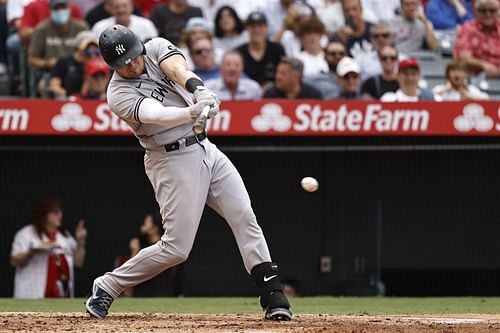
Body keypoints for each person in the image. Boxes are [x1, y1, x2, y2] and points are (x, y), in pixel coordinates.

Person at [85, 24, 292, 321]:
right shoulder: (117, 93)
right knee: (177, 249)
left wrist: (200, 89)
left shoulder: (154, 48)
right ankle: (108, 285)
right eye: (122, 62)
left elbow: (178, 69)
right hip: (170, 159)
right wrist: (191, 112)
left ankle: (273, 296)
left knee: (243, 215)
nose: (131, 64)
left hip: (205, 147)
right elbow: (154, 115)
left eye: (133, 56)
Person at [10, 195, 87, 299]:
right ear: (43, 214)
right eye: (55, 212)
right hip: (32, 295)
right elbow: (14, 261)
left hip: (61, 295)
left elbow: (78, 263)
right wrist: (31, 252)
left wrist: (80, 241)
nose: (60, 215)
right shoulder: (26, 234)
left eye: (60, 212)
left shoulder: (65, 236)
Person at [127, 213, 184, 297]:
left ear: (155, 227)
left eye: (147, 222)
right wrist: (134, 251)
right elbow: (131, 272)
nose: (144, 224)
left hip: (163, 294)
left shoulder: (168, 247)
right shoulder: (140, 245)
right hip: (141, 294)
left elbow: (176, 274)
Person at [236, 11, 285, 86]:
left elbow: (284, 74)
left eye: (260, 26)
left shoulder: (277, 50)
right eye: (253, 26)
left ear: (266, 28)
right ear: (247, 28)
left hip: (273, 94)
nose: (256, 30)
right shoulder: (239, 52)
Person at [453, 0, 500, 77]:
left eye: (492, 11)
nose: (488, 14)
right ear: (476, 12)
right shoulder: (467, 29)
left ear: (498, 12)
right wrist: (484, 65)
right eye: (483, 11)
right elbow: (463, 58)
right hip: (475, 77)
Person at [49, 31, 100, 99]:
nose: (91, 52)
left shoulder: (97, 64)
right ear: (78, 47)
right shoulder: (64, 62)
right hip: (66, 98)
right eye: (88, 48)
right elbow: (54, 86)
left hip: (90, 99)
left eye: (94, 48)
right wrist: (69, 97)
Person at [91, 0, 157, 42]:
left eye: (124, 6)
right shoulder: (99, 27)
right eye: (117, 7)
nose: (121, 10)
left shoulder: (147, 25)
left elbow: (154, 48)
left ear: (131, 7)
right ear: (110, 9)